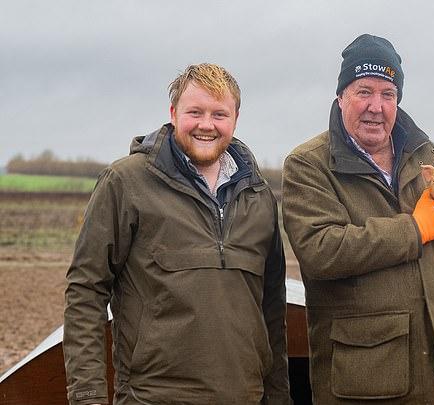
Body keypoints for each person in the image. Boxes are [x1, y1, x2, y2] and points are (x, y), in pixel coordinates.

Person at [63, 64, 290, 405]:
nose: (206, 125)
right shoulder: (126, 183)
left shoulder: (258, 196)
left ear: (235, 119)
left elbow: (272, 308)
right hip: (153, 397)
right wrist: (87, 397)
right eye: (194, 112)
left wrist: (278, 397)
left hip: (245, 396)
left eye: (219, 114)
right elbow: (85, 291)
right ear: (173, 113)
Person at [282, 34, 434, 404]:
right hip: (364, 381)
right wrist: (416, 228)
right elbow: (322, 250)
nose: (375, 106)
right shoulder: (309, 164)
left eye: (387, 94)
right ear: (341, 97)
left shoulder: (427, 154)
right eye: (364, 91)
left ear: (398, 100)